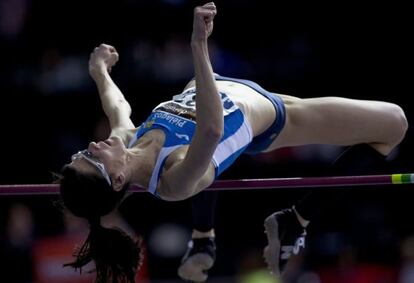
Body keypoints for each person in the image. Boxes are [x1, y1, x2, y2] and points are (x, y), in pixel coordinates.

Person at [58, 2, 408, 282]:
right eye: (91, 159)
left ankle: (204, 236)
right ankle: (296, 218)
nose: (91, 146)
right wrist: (199, 47)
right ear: (118, 179)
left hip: (229, 86)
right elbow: (211, 130)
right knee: (394, 124)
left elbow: (117, 105)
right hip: (273, 118)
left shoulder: (126, 139)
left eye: (80, 153)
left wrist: (100, 72)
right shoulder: (172, 179)